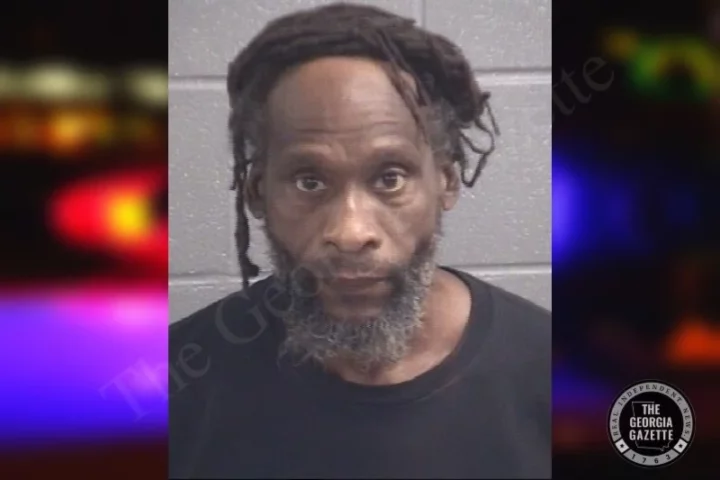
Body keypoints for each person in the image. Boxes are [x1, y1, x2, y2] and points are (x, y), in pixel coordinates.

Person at [169, 3, 550, 478]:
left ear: (446, 182)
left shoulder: (552, 372)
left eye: (390, 178)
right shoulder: (176, 378)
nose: (351, 233)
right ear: (257, 193)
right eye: (309, 181)